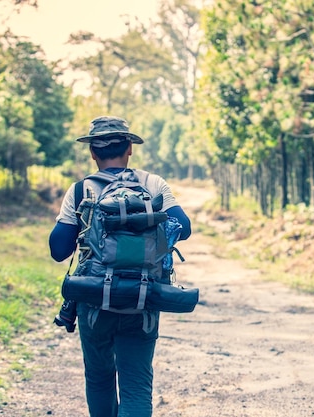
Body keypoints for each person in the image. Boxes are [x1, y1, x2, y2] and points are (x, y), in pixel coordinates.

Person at [49, 115, 192, 417]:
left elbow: (58, 250)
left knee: (99, 379)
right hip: (143, 298)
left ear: (92, 152)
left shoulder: (79, 191)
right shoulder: (153, 184)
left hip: (93, 300)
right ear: (129, 148)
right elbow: (184, 226)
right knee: (136, 385)